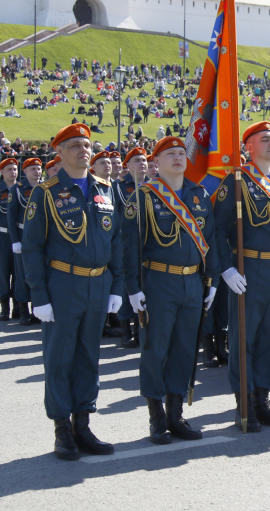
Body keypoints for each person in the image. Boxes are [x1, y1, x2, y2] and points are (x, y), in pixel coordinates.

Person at [22, 124, 123, 461]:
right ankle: (62, 428)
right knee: (60, 358)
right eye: (75, 145)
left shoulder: (105, 189)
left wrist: (117, 285)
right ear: (60, 152)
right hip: (63, 284)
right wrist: (39, 294)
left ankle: (83, 423)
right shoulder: (46, 192)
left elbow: (117, 241)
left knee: (87, 358)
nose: (84, 150)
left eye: (87, 144)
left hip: (98, 284)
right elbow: (33, 247)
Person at [124, 136, 220, 444]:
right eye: (170, 154)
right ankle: (157, 417)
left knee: (184, 349)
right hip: (158, 282)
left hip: (192, 281)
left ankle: (176, 413)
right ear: (156, 162)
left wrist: (213, 279)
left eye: (181, 153)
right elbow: (129, 248)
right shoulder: (144, 196)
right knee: (156, 349)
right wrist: (133, 288)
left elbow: (212, 239)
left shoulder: (199, 194)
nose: (178, 158)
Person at [215, 121, 270, 432]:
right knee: (245, 340)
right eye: (264, 139)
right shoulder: (237, 181)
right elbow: (217, 230)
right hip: (249, 268)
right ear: (248, 147)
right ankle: (245, 403)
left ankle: (263, 400)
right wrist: (225, 268)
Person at [115, 147, 149, 348]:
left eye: (144, 160)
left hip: (147, 245)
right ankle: (125, 331)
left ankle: (140, 329)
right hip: (126, 244)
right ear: (127, 166)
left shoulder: (154, 186)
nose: (142, 163)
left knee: (143, 286)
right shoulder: (119, 188)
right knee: (126, 287)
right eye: (137, 160)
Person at [9, 157, 43, 326]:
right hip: (24, 235)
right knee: (23, 275)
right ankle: (24, 311)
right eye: (33, 169)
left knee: (40, 273)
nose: (37, 172)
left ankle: (38, 309)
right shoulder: (17, 189)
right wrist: (15, 240)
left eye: (39, 169)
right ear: (25, 171)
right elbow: (11, 217)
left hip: (42, 236)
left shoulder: (46, 187)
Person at [0, 158, 18, 321]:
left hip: (19, 236)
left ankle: (18, 307)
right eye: (9, 169)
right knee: (3, 272)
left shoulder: (22, 190)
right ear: (2, 172)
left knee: (19, 272)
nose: (13, 172)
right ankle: (5, 307)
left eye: (14, 169)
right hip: (3, 237)